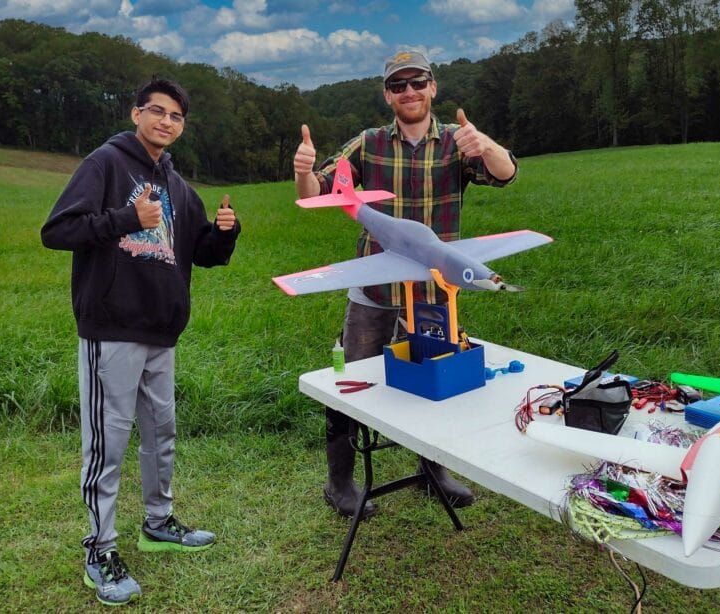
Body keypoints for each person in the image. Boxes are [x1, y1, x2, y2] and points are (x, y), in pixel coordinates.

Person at [41, 78, 241, 606]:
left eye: (176, 116)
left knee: (161, 435)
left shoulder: (177, 184)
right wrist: (128, 217)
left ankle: (158, 523)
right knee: (107, 447)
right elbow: (57, 230)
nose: (166, 122)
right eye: (157, 111)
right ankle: (99, 550)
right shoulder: (105, 164)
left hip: (161, 332)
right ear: (136, 113)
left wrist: (225, 232)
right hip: (111, 329)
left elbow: (202, 252)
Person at [293, 50, 517, 520]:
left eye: (417, 82)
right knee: (351, 381)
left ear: (433, 86)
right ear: (387, 95)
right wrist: (302, 173)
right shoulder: (369, 142)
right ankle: (340, 484)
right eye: (399, 86)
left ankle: (434, 471)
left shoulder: (459, 141)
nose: (409, 92)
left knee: (437, 379)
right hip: (375, 291)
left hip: (434, 293)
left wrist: (486, 144)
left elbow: (506, 174)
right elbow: (316, 192)